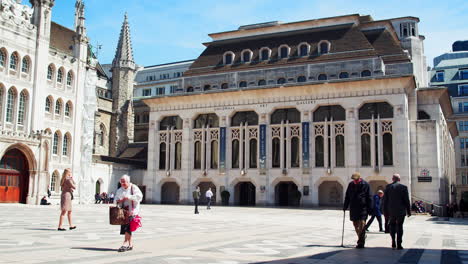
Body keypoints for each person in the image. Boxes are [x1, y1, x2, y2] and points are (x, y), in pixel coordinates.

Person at [343, 172, 373, 249]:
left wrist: (370, 209)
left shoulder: (365, 185)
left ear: (359, 178)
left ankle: (361, 243)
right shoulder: (351, 185)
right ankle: (362, 236)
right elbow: (347, 196)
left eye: (356, 179)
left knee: (362, 225)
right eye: (353, 179)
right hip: (353, 208)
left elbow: (369, 197)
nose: (354, 181)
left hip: (363, 208)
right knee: (355, 225)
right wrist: (345, 206)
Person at [114, 175, 143, 252]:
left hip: (132, 211)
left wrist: (128, 197)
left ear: (128, 181)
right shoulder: (120, 190)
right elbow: (116, 199)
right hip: (123, 211)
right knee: (125, 227)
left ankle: (125, 243)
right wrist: (118, 201)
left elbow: (140, 197)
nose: (123, 183)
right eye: (121, 182)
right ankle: (130, 245)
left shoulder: (133, 187)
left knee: (128, 227)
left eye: (124, 182)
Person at [383, 174, 411, 250]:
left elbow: (385, 201)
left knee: (392, 225)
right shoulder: (403, 187)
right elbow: (406, 200)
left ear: (392, 179)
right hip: (401, 211)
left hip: (391, 210)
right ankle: (399, 244)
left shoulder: (388, 187)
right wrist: (409, 211)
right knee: (400, 226)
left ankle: (393, 241)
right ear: (399, 179)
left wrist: (385, 211)